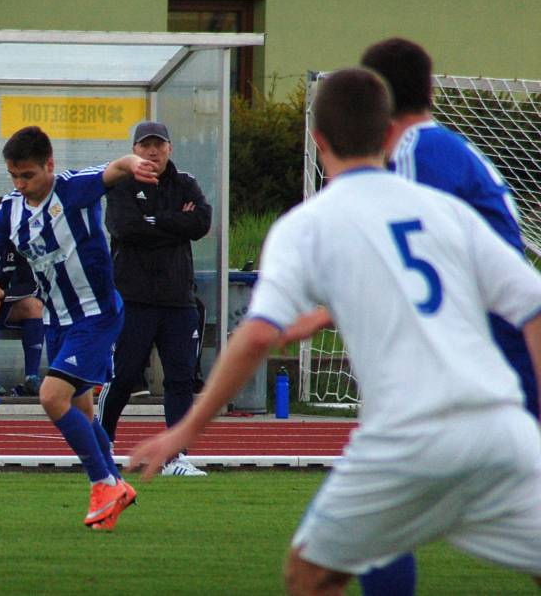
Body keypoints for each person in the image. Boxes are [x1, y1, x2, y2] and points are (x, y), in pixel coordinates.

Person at [130, 68, 541, 595]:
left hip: (406, 438)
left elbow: (256, 336)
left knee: (309, 574)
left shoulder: (308, 225)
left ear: (319, 140)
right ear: (389, 134)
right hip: (500, 428)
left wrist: (185, 432)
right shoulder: (447, 213)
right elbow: (532, 307)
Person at [287, 38, 541, 596]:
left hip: (480, 368)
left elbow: (400, 251)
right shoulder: (452, 148)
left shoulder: (408, 160)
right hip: (498, 358)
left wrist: (322, 312)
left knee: (377, 513)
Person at [0, 125, 159, 530]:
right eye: (14, 176)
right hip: (57, 321)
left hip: (96, 315)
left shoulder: (73, 189)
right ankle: (117, 487)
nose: (20, 184)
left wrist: (134, 163)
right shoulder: (10, 210)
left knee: (52, 395)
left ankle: (102, 483)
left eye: (28, 175)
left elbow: (115, 168)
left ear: (49, 165)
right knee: (80, 408)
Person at [98, 121, 212, 476]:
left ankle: (176, 456)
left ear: (169, 149)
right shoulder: (121, 184)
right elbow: (125, 228)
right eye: (145, 146)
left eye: (158, 146)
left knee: (180, 378)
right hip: (134, 298)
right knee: (123, 375)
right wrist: (175, 224)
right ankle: (101, 444)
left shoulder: (185, 183)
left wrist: (155, 222)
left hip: (178, 299)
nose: (152, 152)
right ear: (134, 150)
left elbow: (202, 224)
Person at [0, 195, 44, 396]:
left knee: (34, 305)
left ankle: (32, 378)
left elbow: (31, 285)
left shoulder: (19, 245)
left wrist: (4, 294)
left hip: (1, 301)